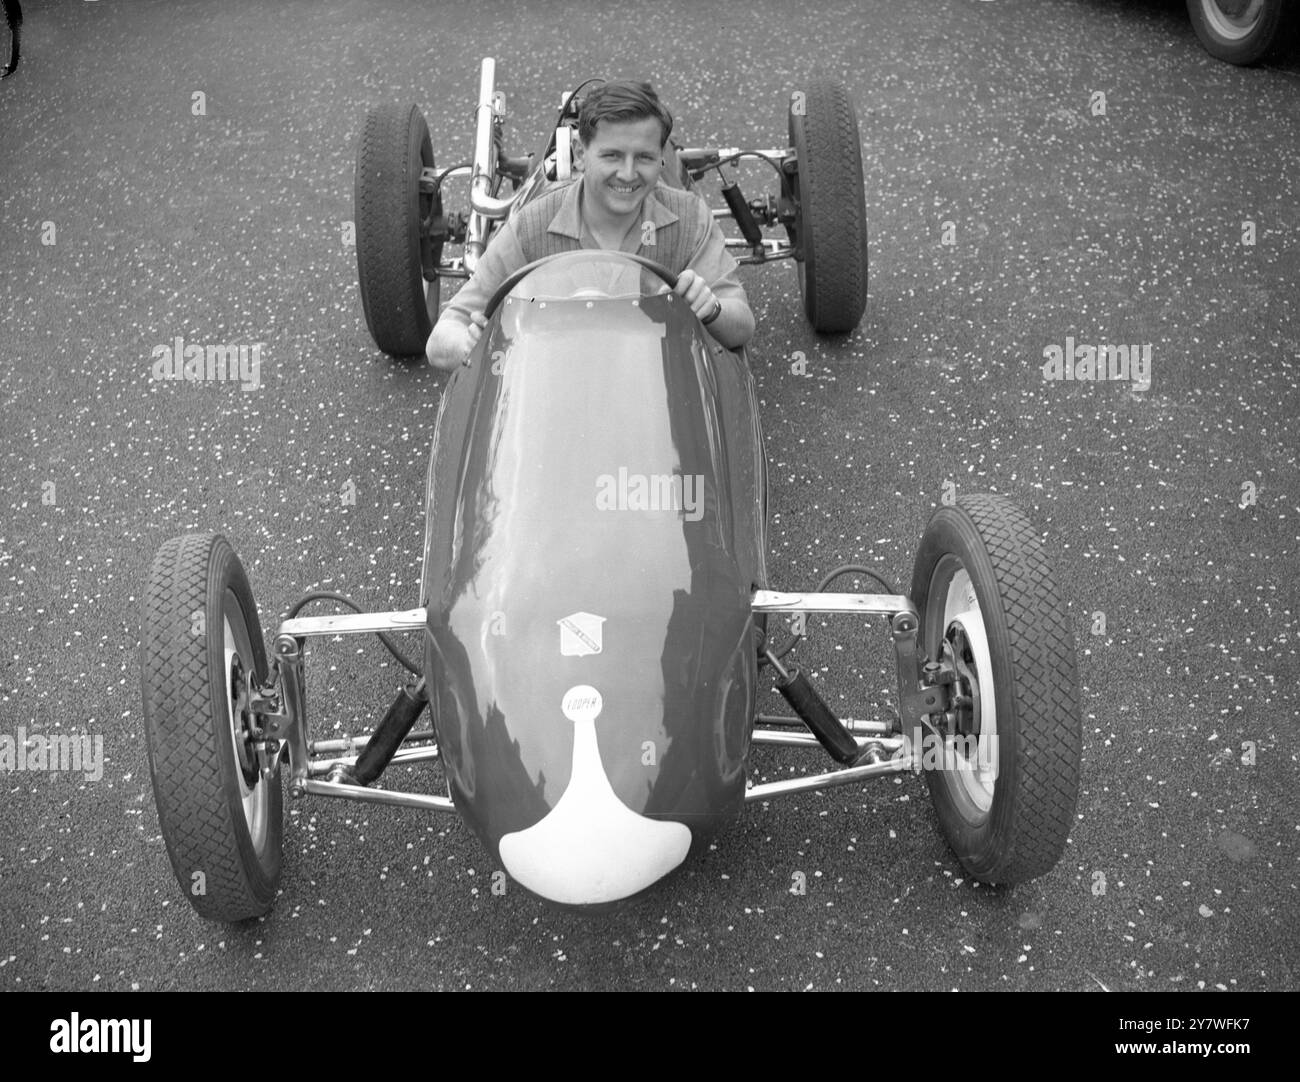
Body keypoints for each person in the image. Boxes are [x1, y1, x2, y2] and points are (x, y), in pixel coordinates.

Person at [426, 79, 755, 370]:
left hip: (656, 386)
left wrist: (711, 309)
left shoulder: (691, 220)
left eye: (644, 157)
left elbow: (741, 325)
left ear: (661, 159)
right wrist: (469, 347)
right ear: (580, 155)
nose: (628, 174)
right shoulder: (530, 227)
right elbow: (441, 339)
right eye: (611, 156)